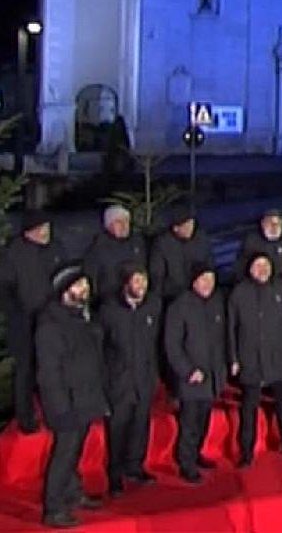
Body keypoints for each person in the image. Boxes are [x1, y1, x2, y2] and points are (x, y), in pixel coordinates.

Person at [36, 265, 109, 529]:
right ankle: (53, 508)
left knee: (75, 451)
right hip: (66, 402)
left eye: (86, 285)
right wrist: (60, 406)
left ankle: (73, 492)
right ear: (64, 290)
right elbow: (49, 372)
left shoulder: (83, 318)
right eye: (78, 286)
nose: (85, 290)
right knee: (64, 453)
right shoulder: (50, 325)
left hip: (85, 397)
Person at [0, 210, 73, 433]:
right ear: (28, 232)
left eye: (47, 228)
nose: (45, 233)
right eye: (40, 229)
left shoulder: (56, 248)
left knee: (53, 368)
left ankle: (54, 412)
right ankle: (25, 417)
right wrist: (18, 312)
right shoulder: (13, 253)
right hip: (24, 323)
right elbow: (4, 288)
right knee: (26, 370)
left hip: (53, 320)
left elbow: (65, 277)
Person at [228, 253, 282, 465]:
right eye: (258, 265)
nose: (262, 270)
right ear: (250, 269)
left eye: (266, 265)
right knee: (248, 411)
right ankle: (246, 452)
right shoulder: (239, 293)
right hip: (250, 361)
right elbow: (231, 328)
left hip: (279, 360)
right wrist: (233, 358)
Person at [97, 264, 161, 496]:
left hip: (143, 380)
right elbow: (99, 348)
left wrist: (154, 376)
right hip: (119, 382)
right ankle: (115, 475)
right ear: (126, 284)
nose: (141, 286)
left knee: (140, 426)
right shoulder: (108, 311)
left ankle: (135, 467)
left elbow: (155, 344)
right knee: (117, 430)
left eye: (144, 281)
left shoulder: (153, 306)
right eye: (137, 281)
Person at [164, 262, 228, 483]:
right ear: (194, 281)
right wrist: (187, 370)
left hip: (211, 376)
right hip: (191, 378)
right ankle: (186, 462)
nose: (208, 284)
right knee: (189, 423)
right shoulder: (180, 306)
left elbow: (221, 339)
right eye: (204, 279)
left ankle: (196, 453)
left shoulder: (216, 303)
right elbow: (172, 345)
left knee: (204, 421)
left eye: (211, 279)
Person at [84, 205, 148, 305]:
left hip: (138, 298)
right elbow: (91, 281)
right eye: (119, 222)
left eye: (126, 221)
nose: (124, 225)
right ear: (109, 225)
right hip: (110, 302)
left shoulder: (137, 243)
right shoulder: (98, 249)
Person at [148, 205, 212, 304]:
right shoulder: (162, 245)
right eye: (185, 225)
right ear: (175, 228)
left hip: (200, 296)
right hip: (173, 300)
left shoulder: (201, 239)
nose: (190, 228)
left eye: (191, 223)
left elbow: (210, 267)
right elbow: (157, 281)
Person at [238, 208, 282, 288]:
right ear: (262, 224)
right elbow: (240, 270)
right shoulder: (251, 241)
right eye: (270, 222)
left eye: (278, 223)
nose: (274, 227)